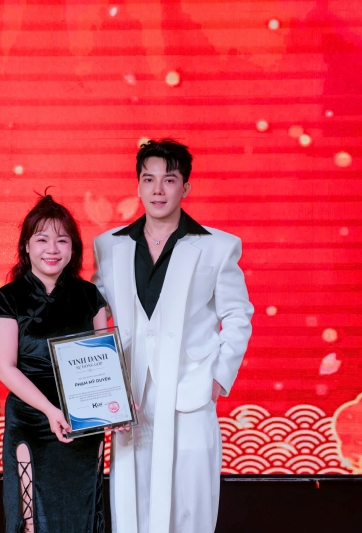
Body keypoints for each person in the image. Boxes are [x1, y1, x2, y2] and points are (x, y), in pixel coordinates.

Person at [93, 139, 254, 533]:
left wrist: (219, 378)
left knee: (190, 501)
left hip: (191, 389)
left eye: (169, 179)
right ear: (138, 186)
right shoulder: (109, 245)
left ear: (186, 187)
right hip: (131, 394)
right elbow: (96, 313)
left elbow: (238, 315)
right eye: (149, 179)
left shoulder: (218, 246)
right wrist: (103, 384)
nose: (158, 190)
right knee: (133, 501)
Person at [0, 195, 109, 533]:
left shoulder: (89, 296)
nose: (52, 249)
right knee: (31, 520)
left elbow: (106, 364)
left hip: (82, 424)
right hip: (31, 421)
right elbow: (3, 367)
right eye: (42, 239)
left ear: (73, 248)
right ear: (26, 246)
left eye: (62, 240)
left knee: (82, 517)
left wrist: (117, 407)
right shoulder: (7, 298)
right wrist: (50, 411)